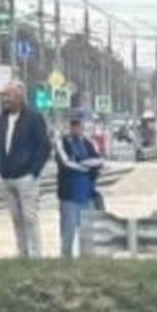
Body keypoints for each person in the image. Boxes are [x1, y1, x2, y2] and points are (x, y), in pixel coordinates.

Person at [0, 80, 49, 258]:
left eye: (8, 95)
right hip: (6, 176)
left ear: (19, 96)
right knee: (16, 218)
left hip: (26, 177)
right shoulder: (2, 118)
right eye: (3, 96)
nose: (5, 100)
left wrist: (34, 171)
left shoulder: (33, 118)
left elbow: (45, 146)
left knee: (29, 217)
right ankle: (22, 252)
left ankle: (36, 254)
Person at [54, 111, 101, 259]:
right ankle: (66, 260)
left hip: (87, 194)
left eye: (78, 124)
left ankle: (87, 261)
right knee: (68, 232)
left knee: (88, 233)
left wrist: (84, 165)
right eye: (73, 124)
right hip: (69, 195)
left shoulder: (89, 143)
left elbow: (99, 162)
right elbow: (65, 163)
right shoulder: (62, 142)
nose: (76, 127)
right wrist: (85, 166)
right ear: (69, 125)